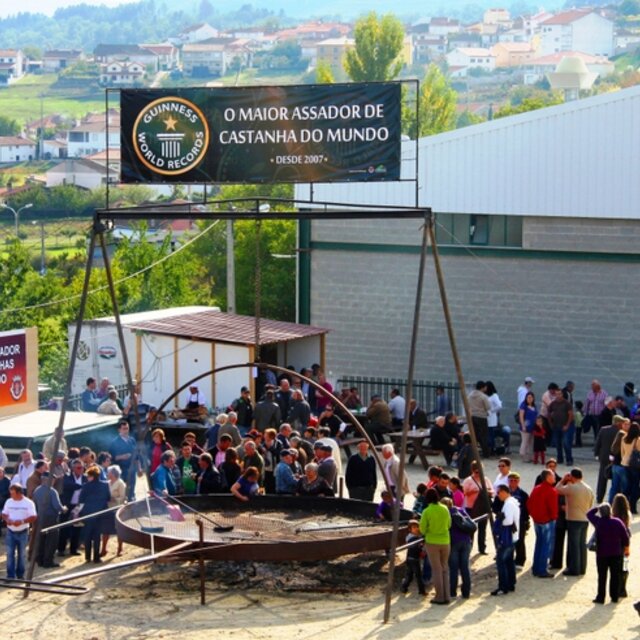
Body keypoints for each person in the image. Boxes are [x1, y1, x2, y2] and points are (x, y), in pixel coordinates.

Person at [587, 502, 629, 604]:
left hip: (602, 553)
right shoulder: (617, 522)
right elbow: (625, 537)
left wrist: (597, 508)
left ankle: (601, 597)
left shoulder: (598, 521)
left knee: (602, 576)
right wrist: (626, 548)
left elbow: (589, 514)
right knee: (615, 575)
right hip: (616, 552)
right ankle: (614, 596)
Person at [556, 468, 595, 576]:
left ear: (572, 477)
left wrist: (563, 480)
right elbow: (591, 503)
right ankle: (582, 568)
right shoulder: (588, 488)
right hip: (584, 518)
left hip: (573, 519)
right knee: (582, 544)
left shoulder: (571, 487)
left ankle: (574, 569)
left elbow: (557, 489)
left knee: (574, 545)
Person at [419, 487, 452, 605]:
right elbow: (449, 524)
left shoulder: (427, 511)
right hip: (445, 541)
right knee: (444, 568)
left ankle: (439, 596)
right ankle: (447, 595)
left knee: (436, 569)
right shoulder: (445, 508)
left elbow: (422, 529)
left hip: (432, 542)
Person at [527, 468, 559, 578]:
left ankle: (536, 568)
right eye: (553, 476)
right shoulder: (551, 491)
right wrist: (553, 518)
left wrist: (534, 516)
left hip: (537, 521)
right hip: (547, 521)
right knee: (545, 546)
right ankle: (542, 570)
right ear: (548, 477)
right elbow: (553, 508)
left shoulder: (537, 488)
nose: (554, 477)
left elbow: (529, 504)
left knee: (539, 544)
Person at [2, 483, 37, 579]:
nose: (11, 495)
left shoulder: (28, 503)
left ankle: (20, 575)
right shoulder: (9, 502)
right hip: (10, 531)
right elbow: (4, 513)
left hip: (23, 531)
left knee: (22, 555)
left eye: (13, 493)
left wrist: (22, 521)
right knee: (10, 554)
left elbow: (33, 516)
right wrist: (7, 520)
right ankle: (10, 575)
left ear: (19, 493)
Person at [491, 484, 520, 596]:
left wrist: (499, 519)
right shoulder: (513, 502)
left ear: (504, 492)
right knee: (509, 561)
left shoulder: (508, 504)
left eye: (498, 493)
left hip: (506, 538)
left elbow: (507, 521)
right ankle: (511, 583)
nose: (497, 496)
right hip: (512, 537)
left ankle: (503, 586)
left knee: (501, 562)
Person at [78, 465, 110, 564]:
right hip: (100, 512)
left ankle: (88, 557)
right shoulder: (105, 485)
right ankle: (96, 557)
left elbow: (81, 500)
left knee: (87, 535)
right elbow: (108, 497)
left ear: (91, 476)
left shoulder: (86, 486)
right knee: (97, 535)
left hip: (88, 512)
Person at [446, 497, 475, 599]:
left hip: (454, 542)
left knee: (453, 568)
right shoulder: (461, 510)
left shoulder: (446, 513)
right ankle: (466, 592)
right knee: (465, 567)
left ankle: (453, 592)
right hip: (466, 541)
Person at [462, 462, 494, 555]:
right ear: (472, 471)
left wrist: (487, 492)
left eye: (480, 471)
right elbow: (464, 493)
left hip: (483, 507)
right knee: (471, 529)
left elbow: (492, 491)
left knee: (482, 529)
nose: (478, 474)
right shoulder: (468, 480)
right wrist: (472, 491)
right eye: (476, 472)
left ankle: (482, 548)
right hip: (471, 507)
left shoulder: (486, 479)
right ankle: (469, 548)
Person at [33, 476, 65, 568]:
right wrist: (64, 509)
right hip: (51, 518)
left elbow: (34, 504)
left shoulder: (37, 490)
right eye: (53, 480)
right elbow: (57, 506)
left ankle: (40, 560)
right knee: (51, 541)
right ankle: (48, 561)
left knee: (41, 540)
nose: (54, 482)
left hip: (40, 517)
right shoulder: (52, 491)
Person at [594, 415, 626, 503]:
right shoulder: (621, 432)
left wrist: (596, 454)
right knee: (616, 480)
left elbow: (598, 443)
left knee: (602, 478)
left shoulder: (603, 429)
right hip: (616, 458)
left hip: (604, 457)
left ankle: (599, 497)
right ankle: (614, 499)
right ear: (618, 423)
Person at [57, 459, 86, 557]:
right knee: (64, 528)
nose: (81, 469)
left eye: (82, 467)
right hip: (68, 505)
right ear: (73, 469)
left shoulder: (85, 478)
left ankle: (74, 549)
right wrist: (81, 486)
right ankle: (61, 549)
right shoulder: (67, 477)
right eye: (78, 468)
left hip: (79, 506)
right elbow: (68, 485)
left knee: (77, 527)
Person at [108, 420, 140, 501]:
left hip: (132, 468)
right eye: (124, 429)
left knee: (132, 487)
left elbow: (137, 455)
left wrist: (139, 468)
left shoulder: (132, 440)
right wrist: (122, 456)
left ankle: (131, 501)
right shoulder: (114, 442)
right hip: (121, 469)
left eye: (127, 428)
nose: (126, 431)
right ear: (119, 430)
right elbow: (112, 458)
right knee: (122, 489)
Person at [100, 465, 126, 557]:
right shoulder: (107, 483)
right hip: (107, 509)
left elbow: (123, 497)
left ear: (113, 473)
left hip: (116, 509)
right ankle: (103, 549)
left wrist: (114, 499)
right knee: (105, 530)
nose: (107, 474)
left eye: (109, 472)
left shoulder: (120, 483)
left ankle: (120, 549)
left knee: (118, 530)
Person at [611, 493, 631, 598]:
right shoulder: (627, 514)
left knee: (616, 568)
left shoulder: (613, 515)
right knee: (624, 567)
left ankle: (618, 589)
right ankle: (623, 588)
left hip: (616, 543)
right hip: (625, 542)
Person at [508, 472, 530, 568]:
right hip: (507, 520)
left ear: (518, 481)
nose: (513, 482)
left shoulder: (523, 494)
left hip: (519, 521)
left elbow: (527, 508)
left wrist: (526, 520)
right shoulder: (504, 492)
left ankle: (520, 561)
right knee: (508, 540)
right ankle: (508, 559)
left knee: (520, 541)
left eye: (515, 480)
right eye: (511, 480)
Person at [548, 388, 574, 465]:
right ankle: (560, 458)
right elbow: (548, 413)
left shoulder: (567, 403)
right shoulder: (553, 404)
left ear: (562, 394)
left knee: (566, 443)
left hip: (566, 426)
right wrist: (550, 423)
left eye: (559, 394)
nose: (558, 396)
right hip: (556, 426)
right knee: (557, 443)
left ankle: (569, 459)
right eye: (556, 394)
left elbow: (570, 415)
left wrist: (567, 425)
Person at [619, 421, 640, 513]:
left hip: (624, 463)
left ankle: (624, 506)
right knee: (635, 486)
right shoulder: (638, 440)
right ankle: (632, 507)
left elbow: (622, 451)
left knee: (627, 486)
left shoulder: (624, 438)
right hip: (635, 465)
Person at [401, 519, 426, 596]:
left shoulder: (415, 537)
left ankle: (404, 587)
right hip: (413, 559)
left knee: (410, 575)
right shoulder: (411, 538)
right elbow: (415, 546)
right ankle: (422, 591)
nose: (416, 529)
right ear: (410, 529)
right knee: (418, 576)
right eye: (414, 527)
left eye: (417, 527)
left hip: (412, 558)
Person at [467, 381, 491, 458]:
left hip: (472, 416)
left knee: (474, 435)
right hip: (481, 417)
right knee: (483, 435)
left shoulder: (470, 395)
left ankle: (473, 452)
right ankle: (486, 453)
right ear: (482, 387)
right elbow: (488, 407)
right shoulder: (483, 396)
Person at [519, 391, 537, 463]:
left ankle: (530, 456)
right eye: (528, 397)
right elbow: (521, 416)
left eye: (531, 397)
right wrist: (523, 426)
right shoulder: (523, 405)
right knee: (525, 441)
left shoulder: (534, 406)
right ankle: (523, 456)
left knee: (531, 442)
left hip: (532, 427)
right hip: (525, 427)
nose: (530, 399)